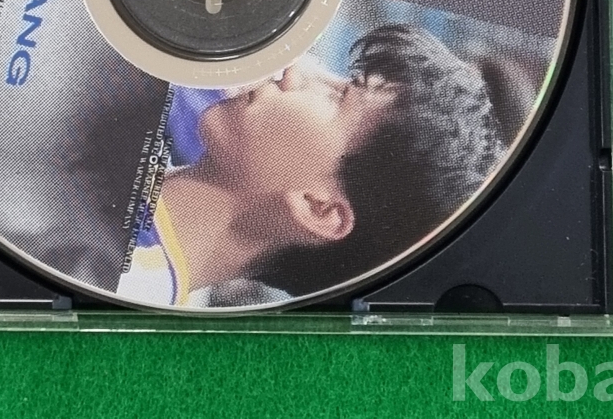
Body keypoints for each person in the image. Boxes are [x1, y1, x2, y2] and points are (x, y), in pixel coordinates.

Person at [116, 25, 505, 308]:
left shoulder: (118, 279)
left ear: (319, 208)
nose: (295, 69)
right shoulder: (120, 149)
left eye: (340, 95)